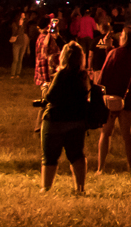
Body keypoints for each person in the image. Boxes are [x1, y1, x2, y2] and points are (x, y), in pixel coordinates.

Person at [37, 42, 93, 195]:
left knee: (50, 156)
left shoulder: (62, 74)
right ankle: (80, 188)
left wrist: (44, 89)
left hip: (56, 120)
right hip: (76, 121)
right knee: (77, 155)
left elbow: (50, 96)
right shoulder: (82, 75)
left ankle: (46, 188)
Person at [96, 26, 131, 173]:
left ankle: (101, 167)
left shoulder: (115, 53)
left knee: (106, 133)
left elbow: (104, 74)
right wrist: (109, 49)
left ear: (125, 37)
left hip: (110, 98)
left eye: (122, 34)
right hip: (127, 98)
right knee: (128, 134)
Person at [9, 12, 31, 79]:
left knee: (20, 59)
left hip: (23, 43)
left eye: (24, 16)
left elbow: (25, 34)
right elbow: (15, 33)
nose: (23, 17)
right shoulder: (14, 24)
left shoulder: (25, 24)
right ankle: (13, 74)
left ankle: (18, 74)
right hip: (16, 43)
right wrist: (19, 26)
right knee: (15, 59)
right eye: (22, 16)